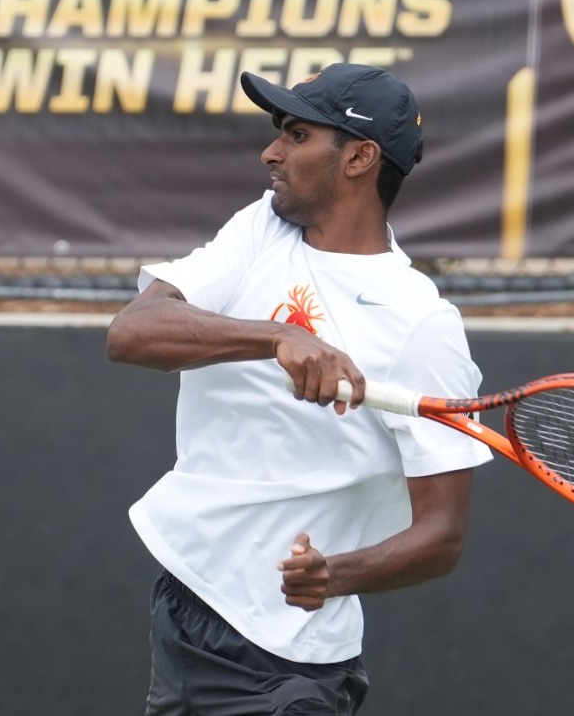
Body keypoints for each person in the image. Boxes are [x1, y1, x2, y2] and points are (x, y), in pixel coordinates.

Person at [105, 62, 492, 716]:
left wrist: (335, 573)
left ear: (360, 158)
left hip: (283, 660)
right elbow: (132, 333)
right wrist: (277, 337)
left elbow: (442, 536)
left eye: (296, 135)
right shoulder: (264, 228)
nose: (271, 152)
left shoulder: (422, 326)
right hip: (188, 605)